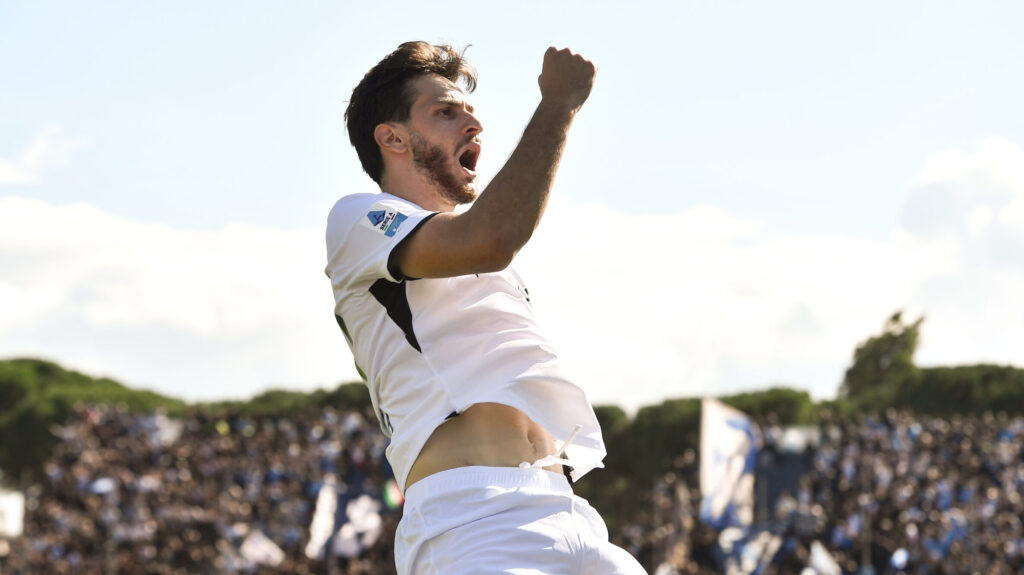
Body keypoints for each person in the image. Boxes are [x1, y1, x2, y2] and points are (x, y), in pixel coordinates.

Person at [325, 41, 648, 575]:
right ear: (393, 138)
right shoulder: (359, 220)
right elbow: (494, 235)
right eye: (446, 112)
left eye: (471, 113)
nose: (473, 125)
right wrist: (559, 102)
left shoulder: (489, 263)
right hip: (472, 520)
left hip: (571, 512)